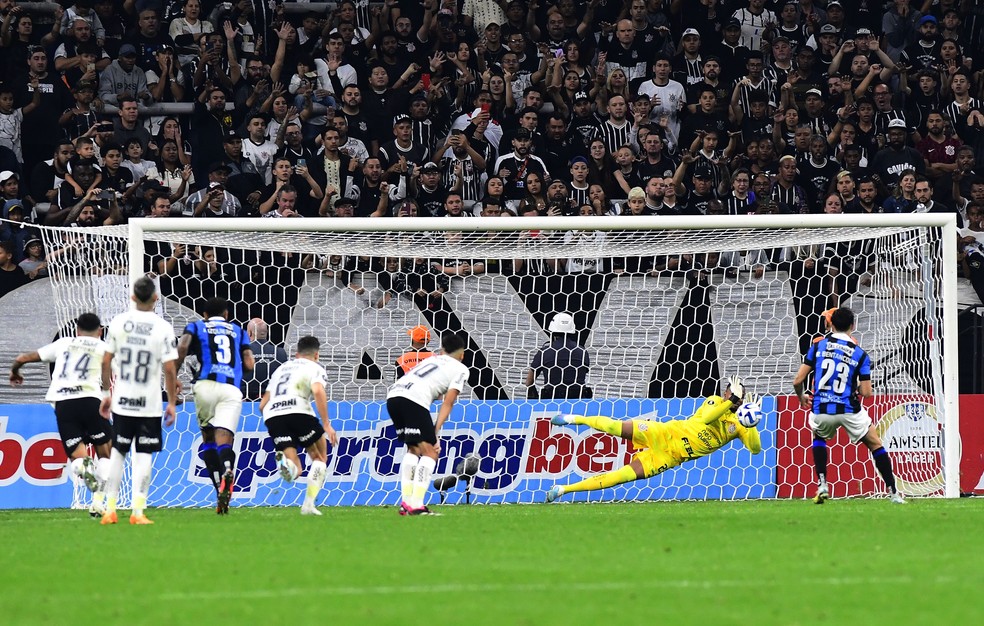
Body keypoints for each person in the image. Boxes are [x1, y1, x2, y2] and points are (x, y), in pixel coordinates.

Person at [546, 376, 760, 502]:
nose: (733, 398)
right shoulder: (714, 402)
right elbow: (706, 420)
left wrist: (752, 424)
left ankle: (563, 490)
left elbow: (755, 449)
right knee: (614, 426)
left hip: (670, 456)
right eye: (731, 394)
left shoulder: (740, 425)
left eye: (737, 397)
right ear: (725, 393)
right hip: (664, 433)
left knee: (621, 476)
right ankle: (575, 418)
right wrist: (730, 400)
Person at [792, 307, 905, 505]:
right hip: (848, 409)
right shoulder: (860, 354)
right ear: (853, 326)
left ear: (831, 324)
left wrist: (801, 396)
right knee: (875, 444)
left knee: (818, 435)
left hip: (821, 408)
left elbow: (797, 380)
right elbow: (867, 393)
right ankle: (894, 493)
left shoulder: (818, 346)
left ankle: (822, 484)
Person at [8, 312, 112, 516]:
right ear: (100, 332)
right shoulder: (103, 347)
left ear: (76, 330)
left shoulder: (63, 343)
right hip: (90, 400)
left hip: (63, 403)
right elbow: (108, 367)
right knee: (105, 451)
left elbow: (22, 358)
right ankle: (98, 501)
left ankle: (82, 468)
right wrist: (107, 393)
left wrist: (15, 371)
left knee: (77, 455)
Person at [98, 277, 179, 525]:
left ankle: (110, 509)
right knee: (144, 455)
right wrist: (172, 402)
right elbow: (170, 369)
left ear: (132, 297)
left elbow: (105, 361)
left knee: (118, 453)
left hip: (123, 399)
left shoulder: (119, 322)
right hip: (150, 402)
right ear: (156, 298)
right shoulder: (163, 327)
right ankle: (138, 512)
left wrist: (105, 393)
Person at [175, 297, 254, 515]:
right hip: (231, 390)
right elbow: (249, 363)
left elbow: (182, 347)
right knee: (225, 439)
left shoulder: (196, 326)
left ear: (206, 315)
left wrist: (173, 375)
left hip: (206, 385)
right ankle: (228, 469)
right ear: (227, 314)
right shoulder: (239, 331)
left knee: (208, 438)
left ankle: (218, 484)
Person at [386, 333, 469, 516]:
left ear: (442, 350)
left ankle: (406, 503)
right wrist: (435, 430)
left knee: (414, 449)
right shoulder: (461, 368)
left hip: (394, 396)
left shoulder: (431, 360)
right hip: (413, 400)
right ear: (462, 354)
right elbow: (448, 402)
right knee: (431, 452)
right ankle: (416, 505)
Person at [259, 336, 339, 516]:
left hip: (273, 415)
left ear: (296, 354)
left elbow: (262, 405)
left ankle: (286, 464)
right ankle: (308, 506)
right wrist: (326, 423)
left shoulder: (281, 368)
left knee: (296, 470)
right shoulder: (314, 367)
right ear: (316, 355)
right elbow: (318, 390)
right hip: (299, 410)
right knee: (319, 457)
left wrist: (274, 419)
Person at [525, 313, 592, 399]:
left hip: (551, 403)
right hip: (578, 402)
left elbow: (529, 382)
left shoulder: (544, 352)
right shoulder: (582, 351)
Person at [243, 317, 288, 401]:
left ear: (249, 333)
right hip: (272, 401)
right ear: (266, 333)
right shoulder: (280, 352)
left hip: (246, 401)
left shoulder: (242, 352)